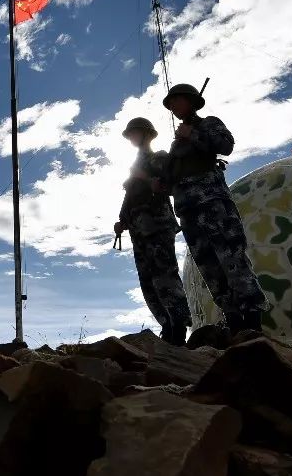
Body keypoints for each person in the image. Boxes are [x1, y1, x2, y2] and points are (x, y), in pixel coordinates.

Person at [161, 83, 269, 336]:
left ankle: (252, 320)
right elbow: (170, 180)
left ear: (190, 101)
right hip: (187, 209)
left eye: (177, 100)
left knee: (232, 258)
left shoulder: (207, 123)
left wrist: (193, 135)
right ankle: (233, 321)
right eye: (171, 103)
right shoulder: (175, 145)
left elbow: (226, 145)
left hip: (212, 202)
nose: (173, 107)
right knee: (208, 265)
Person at [114, 117, 191, 346]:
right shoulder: (135, 164)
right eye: (129, 135)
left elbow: (168, 183)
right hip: (139, 229)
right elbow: (131, 198)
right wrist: (122, 221)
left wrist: (144, 179)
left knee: (164, 275)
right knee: (147, 280)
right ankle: (166, 325)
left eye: (134, 134)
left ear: (146, 134)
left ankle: (178, 326)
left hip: (157, 225)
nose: (131, 139)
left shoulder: (158, 157)